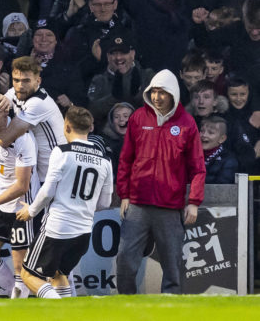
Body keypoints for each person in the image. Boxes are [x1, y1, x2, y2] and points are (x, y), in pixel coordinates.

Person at [116, 69, 206, 295]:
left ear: (173, 94)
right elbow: (126, 159)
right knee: (125, 258)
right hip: (137, 203)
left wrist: (194, 201)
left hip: (170, 206)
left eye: (162, 92)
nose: (156, 97)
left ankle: (171, 307)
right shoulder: (138, 117)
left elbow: (197, 167)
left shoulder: (187, 123)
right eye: (153, 91)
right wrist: (124, 195)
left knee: (172, 263)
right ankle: (124, 303)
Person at [16, 105, 113, 298]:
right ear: (90, 128)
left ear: (66, 126)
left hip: (57, 228)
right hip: (83, 231)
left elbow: (47, 191)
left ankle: (58, 306)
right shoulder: (105, 161)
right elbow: (105, 203)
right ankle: (69, 314)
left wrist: (31, 211)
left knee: (28, 275)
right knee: (60, 274)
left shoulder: (62, 152)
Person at [0, 93, 40, 299]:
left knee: (21, 266)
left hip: (22, 207)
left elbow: (22, 186)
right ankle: (12, 289)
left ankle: (20, 306)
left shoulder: (23, 139)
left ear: (5, 115)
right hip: (2, 205)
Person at [0, 56, 66, 183]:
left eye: (26, 81)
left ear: (38, 81)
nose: (20, 86)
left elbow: (5, 140)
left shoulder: (38, 103)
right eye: (16, 80)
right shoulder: (15, 91)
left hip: (55, 175)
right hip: (37, 173)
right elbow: (5, 100)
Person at [87, 30, 154, 127]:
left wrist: (138, 95)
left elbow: (159, 108)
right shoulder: (99, 80)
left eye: (123, 52)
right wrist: (114, 97)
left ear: (132, 54)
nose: (118, 57)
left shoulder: (147, 75)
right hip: (108, 137)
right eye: (113, 53)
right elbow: (91, 111)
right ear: (108, 56)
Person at [200, 116, 238, 184]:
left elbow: (222, 187)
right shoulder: (190, 155)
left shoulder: (228, 160)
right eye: (202, 131)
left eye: (210, 133)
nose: (204, 135)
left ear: (222, 139)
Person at [101, 102, 135, 177]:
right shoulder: (104, 144)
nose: (121, 120)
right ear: (111, 121)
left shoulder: (143, 142)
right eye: (116, 117)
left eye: (126, 116)